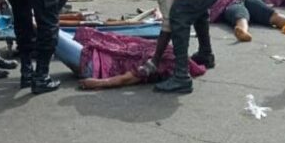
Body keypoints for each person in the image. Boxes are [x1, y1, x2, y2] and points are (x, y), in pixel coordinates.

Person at [127, 0, 241, 94]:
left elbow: (169, 20)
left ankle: (181, 76)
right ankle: (205, 54)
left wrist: (155, 60)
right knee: (195, 8)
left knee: (179, 16)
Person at [54, 28, 206, 90]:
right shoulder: (166, 48)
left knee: (45, 28)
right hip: (97, 53)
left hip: (93, 64)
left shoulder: (168, 60)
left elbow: (133, 76)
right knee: (49, 26)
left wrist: (100, 83)